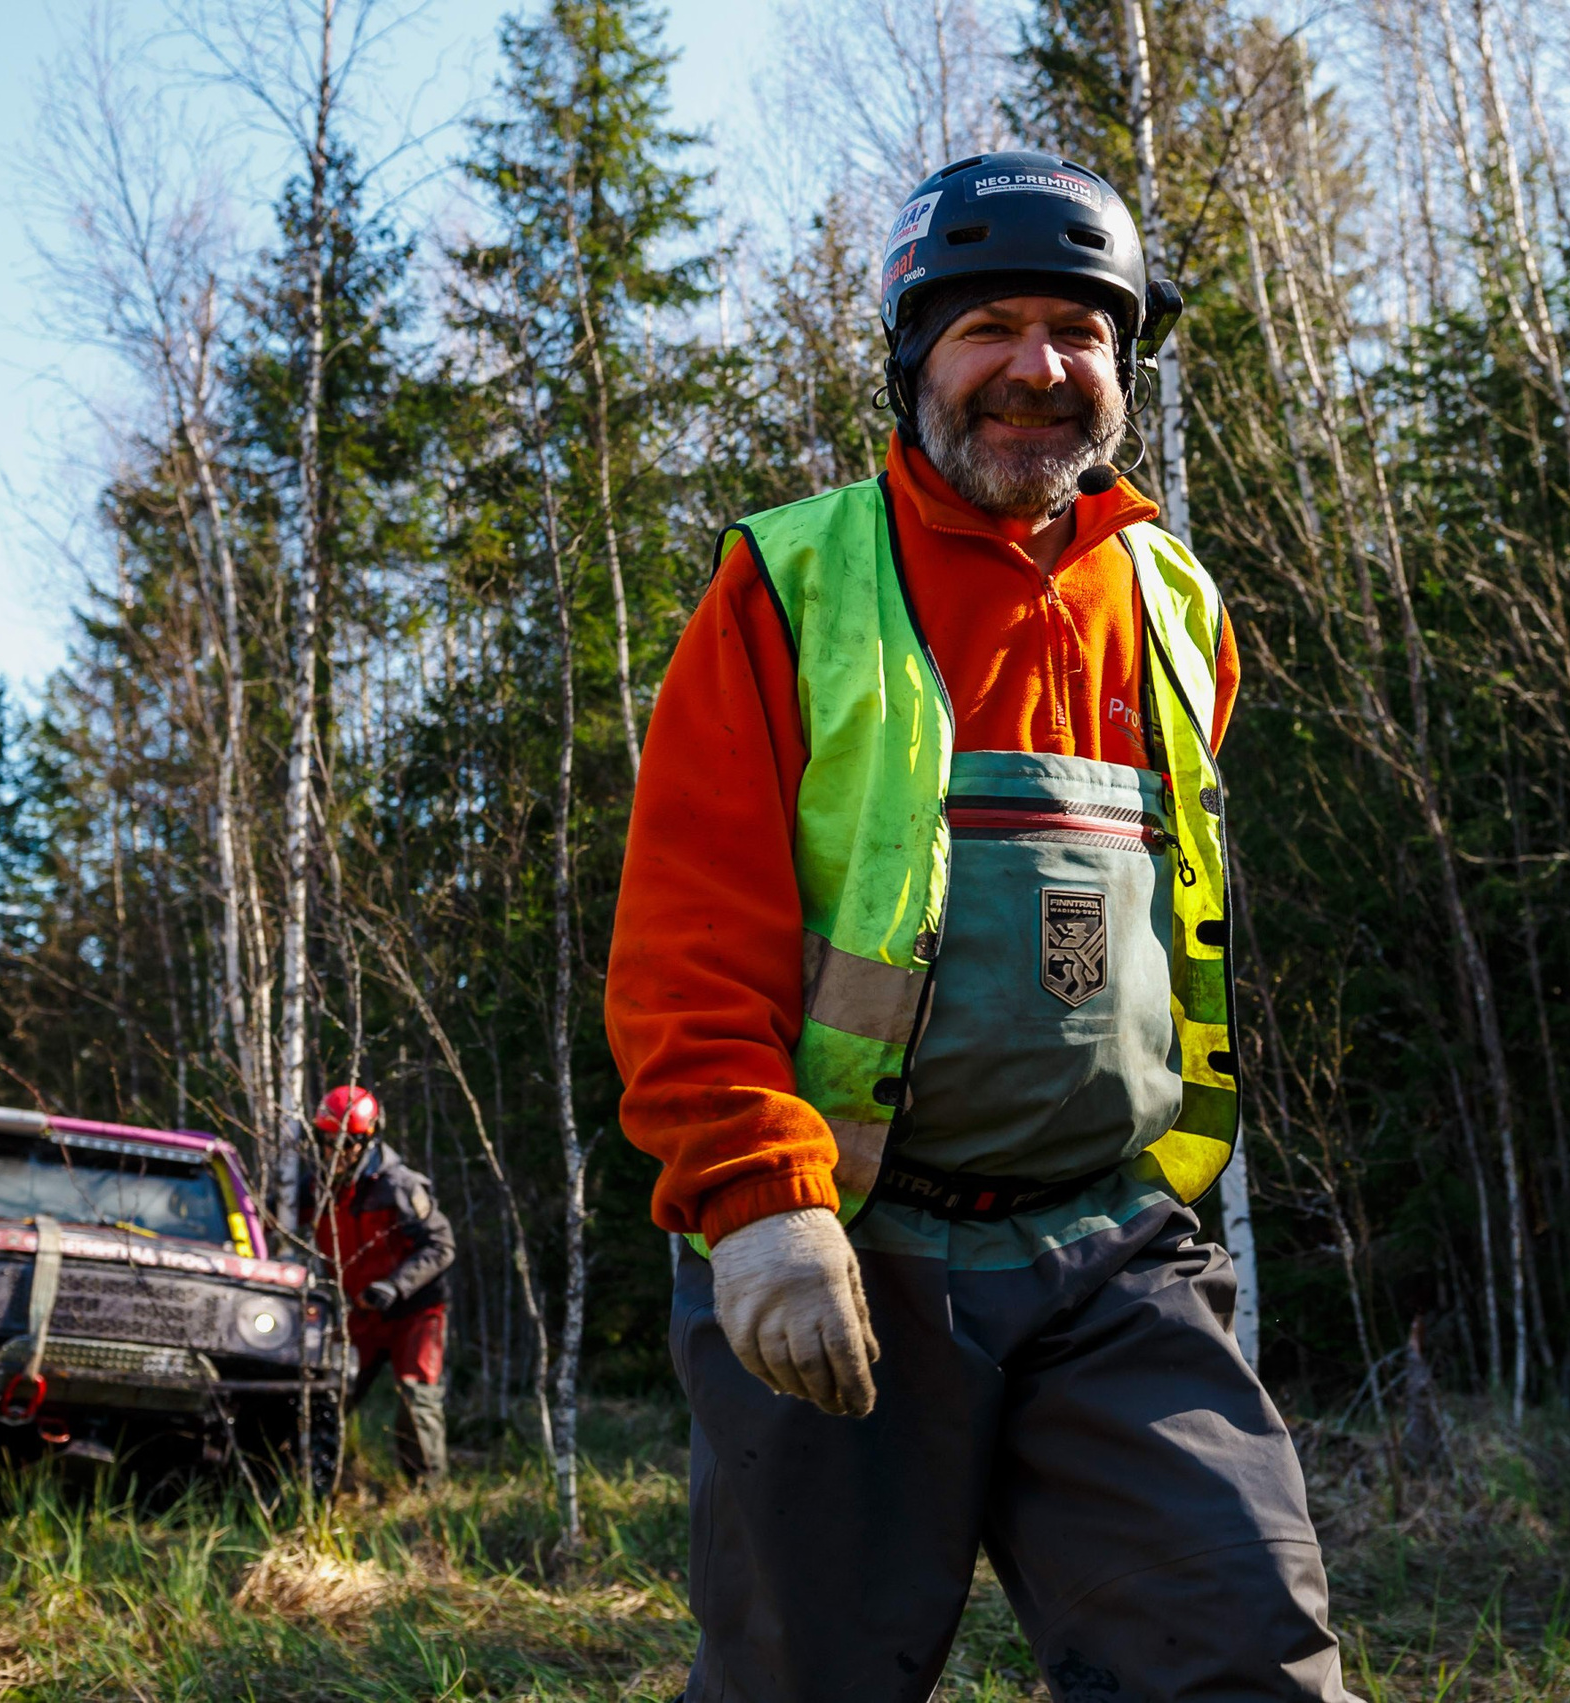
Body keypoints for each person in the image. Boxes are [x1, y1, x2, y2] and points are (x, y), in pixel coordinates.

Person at [605, 152, 1352, 1702]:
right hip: (843, 1246)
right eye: (990, 326)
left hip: (1113, 1247)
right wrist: (757, 1204)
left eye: (1082, 331)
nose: (1039, 366)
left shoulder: (1177, 602)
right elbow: (690, 932)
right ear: (912, 353)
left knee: (1244, 1659)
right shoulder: (790, 579)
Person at [312, 1085, 455, 1481]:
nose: (338, 1152)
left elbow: (441, 1247)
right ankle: (315, 1481)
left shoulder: (400, 1186)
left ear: (369, 1138)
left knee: (416, 1396)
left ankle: (427, 1494)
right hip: (360, 1310)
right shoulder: (308, 1187)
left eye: (350, 1143)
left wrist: (394, 1285)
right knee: (330, 1392)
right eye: (329, 1141)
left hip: (414, 1309)